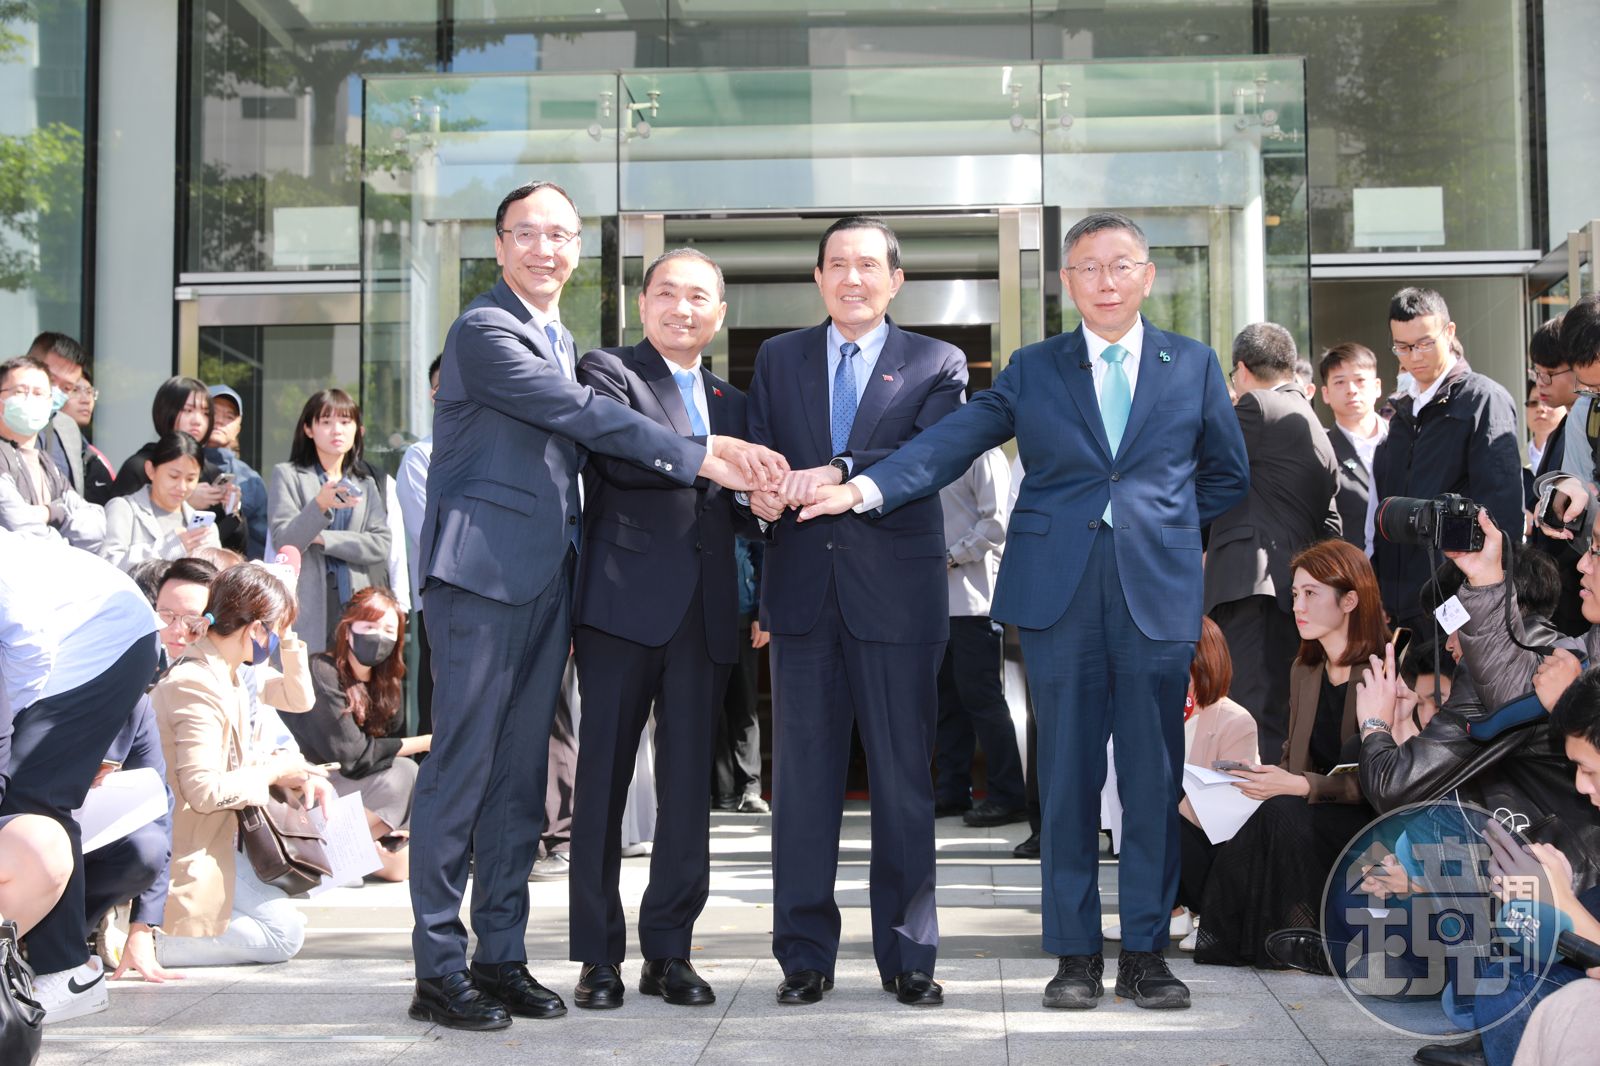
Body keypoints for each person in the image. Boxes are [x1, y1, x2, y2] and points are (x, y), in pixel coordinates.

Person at [799, 210, 1249, 1010]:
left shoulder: (1193, 363)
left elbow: (1226, 475)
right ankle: (1074, 955)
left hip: (1154, 593)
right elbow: (952, 440)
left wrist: (1158, 524)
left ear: (1147, 276)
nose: (1105, 281)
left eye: (1121, 265)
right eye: (1088, 268)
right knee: (1066, 779)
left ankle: (1146, 953)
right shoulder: (1035, 368)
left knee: (1151, 779)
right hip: (1057, 594)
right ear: (1067, 282)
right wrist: (861, 485)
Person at [406, 179, 781, 1032]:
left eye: (560, 236)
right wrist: (704, 453)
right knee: (462, 771)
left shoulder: (557, 336)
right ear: (499, 245)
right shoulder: (485, 330)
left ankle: (500, 957)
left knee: (520, 781)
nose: (545, 250)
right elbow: (580, 415)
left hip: (549, 580)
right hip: (481, 578)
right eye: (527, 233)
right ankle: (438, 967)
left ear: (577, 250)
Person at [745, 215, 968, 1009]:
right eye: (837, 263)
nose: (852, 278)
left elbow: (930, 456)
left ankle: (910, 955)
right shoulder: (778, 358)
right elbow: (759, 451)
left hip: (897, 602)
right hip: (803, 596)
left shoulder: (936, 362)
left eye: (868, 265)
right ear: (817, 278)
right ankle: (804, 957)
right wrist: (757, 492)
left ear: (895, 280)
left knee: (904, 782)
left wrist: (839, 469)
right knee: (803, 786)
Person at [567, 248, 754, 1010]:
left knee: (686, 795)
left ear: (720, 314)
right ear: (643, 305)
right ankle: (598, 956)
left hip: (706, 616)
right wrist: (715, 459)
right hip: (621, 608)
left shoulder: (734, 401)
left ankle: (669, 951)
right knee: (602, 785)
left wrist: (767, 501)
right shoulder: (609, 373)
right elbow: (622, 454)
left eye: (700, 297)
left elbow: (741, 510)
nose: (683, 308)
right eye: (668, 294)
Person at [1192, 539, 1385, 970]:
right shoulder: (1305, 669)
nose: (1298, 606)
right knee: (1208, 812)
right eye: (1295, 594)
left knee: (1279, 812)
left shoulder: (1380, 671)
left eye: (1311, 594)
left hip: (1366, 816)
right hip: (1307, 805)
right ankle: (1249, 932)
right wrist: (1262, 776)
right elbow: (1294, 754)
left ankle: (1291, 935)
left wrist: (1297, 785)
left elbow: (1382, 777)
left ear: (1350, 600)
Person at [0, 529, 161, 1021]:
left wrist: (14, 733)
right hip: (87, 641)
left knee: (33, 795)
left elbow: (27, 648)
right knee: (34, 792)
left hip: (99, 643)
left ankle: (67, 970)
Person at [151, 563, 329, 968]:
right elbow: (204, 791)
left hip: (216, 838)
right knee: (283, 935)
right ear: (255, 629)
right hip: (188, 846)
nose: (277, 639)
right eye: (276, 630)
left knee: (287, 924)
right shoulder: (196, 682)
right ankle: (145, 941)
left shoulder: (226, 671)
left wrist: (286, 631)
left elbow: (300, 699)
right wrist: (273, 772)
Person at [1206, 323, 1341, 762]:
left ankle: (1253, 806)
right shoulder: (1317, 427)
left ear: (1242, 370)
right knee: (1274, 713)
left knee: (1247, 712)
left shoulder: (1259, 406)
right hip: (1290, 593)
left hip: (1251, 586)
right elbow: (1332, 525)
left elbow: (1203, 467)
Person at [1373, 288, 1522, 631]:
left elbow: (1502, 515)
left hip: (1458, 600)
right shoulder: (1401, 411)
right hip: (1401, 603)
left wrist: (1482, 596)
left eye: (1424, 343)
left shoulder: (1483, 400)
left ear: (1450, 332)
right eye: (1402, 347)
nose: (1414, 356)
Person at [285, 588, 427, 883]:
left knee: (402, 868)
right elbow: (354, 757)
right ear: (347, 630)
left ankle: (340, 856)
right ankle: (332, 851)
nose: (379, 637)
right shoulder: (321, 671)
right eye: (369, 626)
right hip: (308, 790)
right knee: (404, 771)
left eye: (389, 630)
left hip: (348, 793)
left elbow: (379, 748)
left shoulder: (385, 681)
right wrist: (427, 742)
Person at [932, 447, 1023, 827]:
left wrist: (949, 556)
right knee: (947, 705)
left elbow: (996, 523)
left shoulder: (983, 454)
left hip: (975, 603)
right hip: (936, 604)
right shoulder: (932, 447)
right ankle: (952, 791)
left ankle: (1008, 796)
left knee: (983, 702)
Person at [268, 389, 392, 653]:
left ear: (358, 429)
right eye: (326, 422)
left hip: (355, 604)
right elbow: (285, 542)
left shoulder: (366, 484)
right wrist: (319, 505)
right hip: (307, 604)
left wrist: (323, 538)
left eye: (345, 422)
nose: (337, 430)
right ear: (308, 429)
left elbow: (380, 544)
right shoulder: (287, 475)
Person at [1169, 617, 1258, 953]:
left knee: (1167, 796)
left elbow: (1231, 802)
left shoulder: (1235, 719)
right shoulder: (1156, 713)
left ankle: (1213, 916)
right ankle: (1169, 911)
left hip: (1212, 840)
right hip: (1174, 830)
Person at [111, 377, 245, 552]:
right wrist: (184, 501)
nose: (198, 420)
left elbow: (233, 548)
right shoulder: (138, 467)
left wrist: (233, 512)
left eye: (206, 413)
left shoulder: (212, 473)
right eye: (188, 410)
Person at [0, 354, 104, 549]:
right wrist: (60, 518)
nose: (30, 399)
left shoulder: (46, 464)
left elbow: (95, 528)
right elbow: (18, 527)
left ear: (50, 404)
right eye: (20, 392)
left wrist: (50, 513)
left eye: (39, 393)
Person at [395, 354, 441, 735]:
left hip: (496, 611)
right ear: (433, 394)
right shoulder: (420, 457)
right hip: (440, 606)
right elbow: (432, 534)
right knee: (439, 722)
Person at [102, 432, 222, 570]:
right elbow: (108, 565)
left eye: (190, 479)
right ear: (151, 470)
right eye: (173, 476)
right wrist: (167, 548)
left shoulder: (206, 528)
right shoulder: (124, 509)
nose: (182, 487)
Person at [713, 536, 767, 813]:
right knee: (709, 710)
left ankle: (750, 789)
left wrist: (762, 613)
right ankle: (722, 792)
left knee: (745, 708)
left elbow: (762, 556)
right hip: (702, 617)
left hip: (743, 615)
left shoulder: (745, 511)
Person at [1319, 343, 1386, 556]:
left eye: (1360, 380)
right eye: (1340, 382)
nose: (1351, 390)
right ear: (1325, 393)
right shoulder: (1320, 451)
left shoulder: (1405, 439)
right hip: (1350, 568)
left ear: (1377, 386)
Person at [205, 384, 268, 560]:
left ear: (238, 428)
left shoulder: (251, 480)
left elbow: (259, 545)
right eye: (213, 412)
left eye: (229, 417)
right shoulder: (177, 464)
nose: (219, 421)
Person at [26, 331, 88, 497]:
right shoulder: (7, 418)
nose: (55, 391)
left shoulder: (68, 428)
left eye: (67, 388)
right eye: (51, 380)